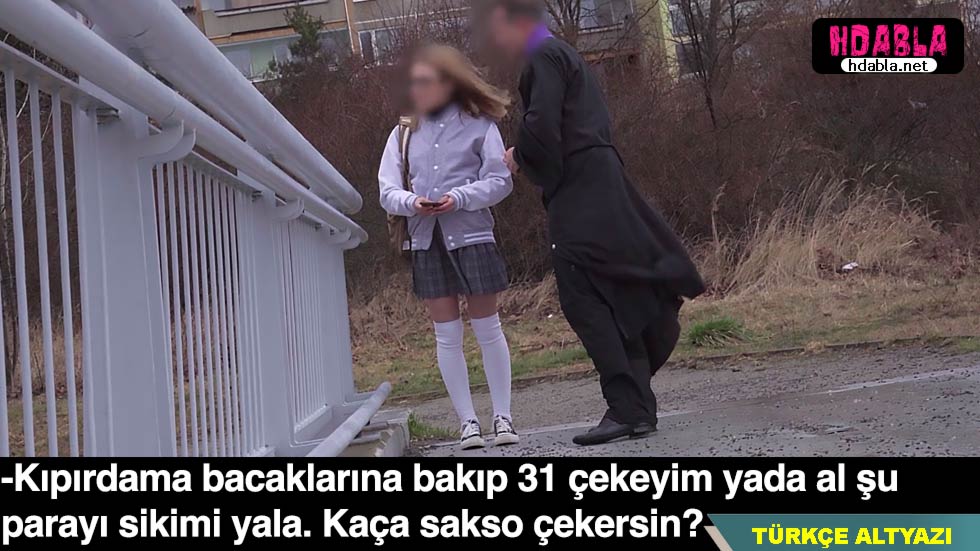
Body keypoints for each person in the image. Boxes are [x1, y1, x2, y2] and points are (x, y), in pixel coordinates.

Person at [483, 0, 707, 446]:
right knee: (614, 288)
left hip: (581, 186)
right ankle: (636, 407)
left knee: (581, 294)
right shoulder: (564, 54)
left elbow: (542, 126)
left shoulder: (542, 56)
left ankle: (626, 405)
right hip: (601, 178)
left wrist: (519, 156)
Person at [377, 44, 518, 450]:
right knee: (446, 335)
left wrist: (460, 198)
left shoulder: (480, 126)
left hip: (473, 236)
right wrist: (413, 203)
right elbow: (386, 191)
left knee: (488, 328)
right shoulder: (403, 132)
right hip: (427, 240)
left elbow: (500, 182)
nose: (416, 89)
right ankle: (468, 422)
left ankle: (503, 417)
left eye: (425, 81)